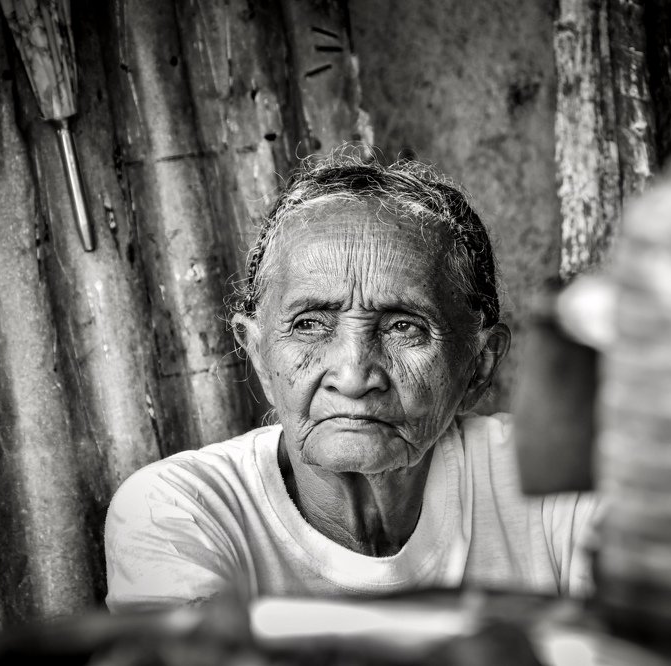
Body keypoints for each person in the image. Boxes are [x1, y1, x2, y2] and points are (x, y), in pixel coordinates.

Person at [104, 152, 598, 612]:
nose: (355, 375)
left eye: (403, 326)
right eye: (310, 324)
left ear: (479, 365)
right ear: (257, 352)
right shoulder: (178, 510)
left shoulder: (562, 481)